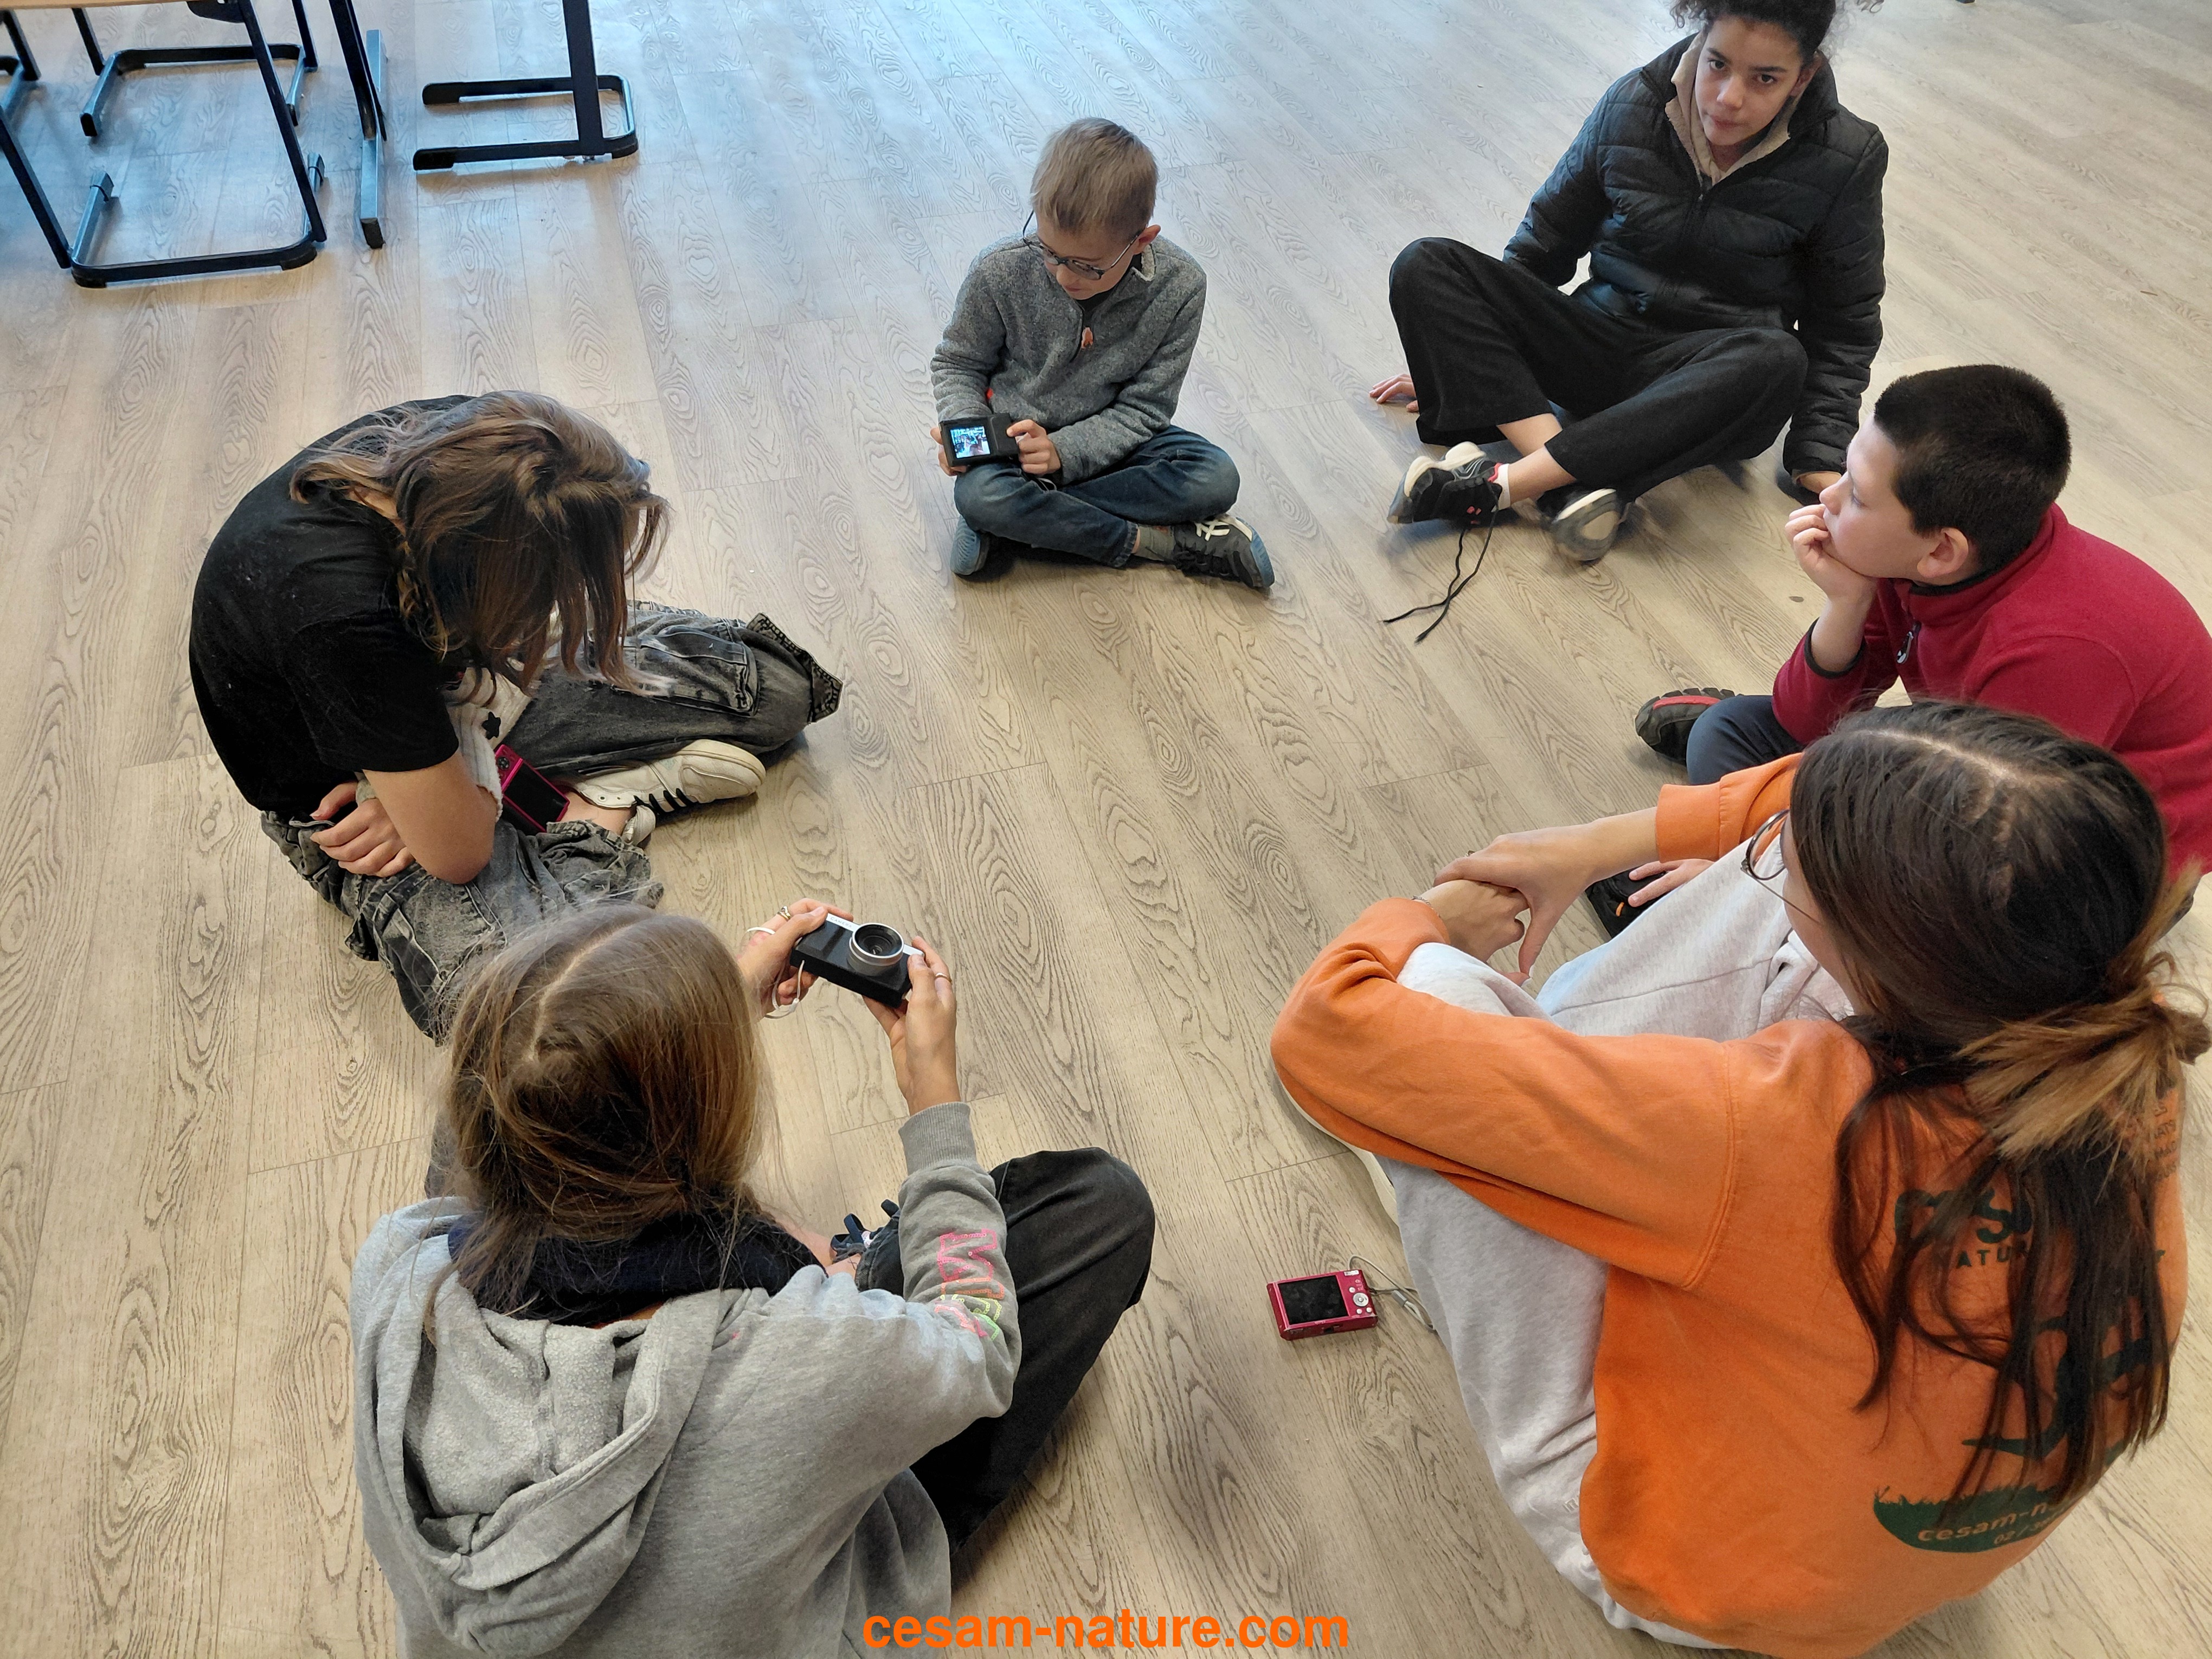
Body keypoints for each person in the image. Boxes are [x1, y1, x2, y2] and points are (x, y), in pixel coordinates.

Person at [1273, 701, 2199, 1656]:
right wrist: (1590, 849)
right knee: (1781, 865)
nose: (1776, 859)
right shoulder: (2119, 1038)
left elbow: (1328, 1034)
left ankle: (1520, 1097)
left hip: (1683, 1576)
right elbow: (1834, 795)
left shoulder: (1765, 1125)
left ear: (1884, 956)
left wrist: (1431, 921)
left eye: (1793, 870)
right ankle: (1565, 1069)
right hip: (1908, 1552)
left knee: (1429, 994)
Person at [351, 902, 1155, 1657]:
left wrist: (681, 1030)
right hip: (798, 1549)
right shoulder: (806, 1352)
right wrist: (934, 1104)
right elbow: (978, 1342)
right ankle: (852, 1262)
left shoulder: (398, 1267)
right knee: (1101, 1208)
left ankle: (834, 1258)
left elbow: (511, 1126)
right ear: (710, 1127)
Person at [189, 393, 842, 1038]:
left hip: (461, 688)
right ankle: (594, 819)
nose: (579, 595)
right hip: (351, 802)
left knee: (777, 691)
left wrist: (444, 768)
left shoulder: (463, 446)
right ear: (504, 583)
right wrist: (424, 797)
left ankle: (548, 783)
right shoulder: (347, 621)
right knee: (537, 1018)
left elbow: (470, 676)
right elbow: (460, 855)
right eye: (565, 588)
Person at [1619, 365, 2212, 929]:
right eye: (1845, 471)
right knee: (1728, 731)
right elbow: (1802, 720)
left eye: (1858, 497)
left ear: (1942, 551)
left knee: (1941, 949)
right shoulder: (1936, 553)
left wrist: (1755, 865)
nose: (1829, 499)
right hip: (1965, 756)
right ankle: (1745, 886)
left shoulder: (2054, 654)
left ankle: (1740, 896)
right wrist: (1847, 604)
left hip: (2083, 855)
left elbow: (1976, 847)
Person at [1372, 0, 1886, 561]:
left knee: (1779, 358)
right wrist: (1472, 360)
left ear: (1804, 76)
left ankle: (1509, 483)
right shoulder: (1633, 102)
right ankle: (1564, 484)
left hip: (1706, 384)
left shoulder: (1847, 156)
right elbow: (1545, 240)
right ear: (1700, 42)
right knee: (1426, 263)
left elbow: (1843, 326)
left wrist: (1820, 458)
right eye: (1718, 64)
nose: (1728, 98)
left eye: (1765, 78)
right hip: (1597, 343)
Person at [928, 118, 1272, 589]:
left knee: (1215, 478)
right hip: (1014, 450)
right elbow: (959, 363)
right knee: (982, 493)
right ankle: (1160, 543)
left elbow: (1146, 408)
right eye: (1050, 252)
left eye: (1088, 267)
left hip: (1115, 446)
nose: (1063, 276)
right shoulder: (1000, 269)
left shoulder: (1181, 286)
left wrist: (1064, 452)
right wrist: (967, 432)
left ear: (1141, 241)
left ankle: (1018, 522)